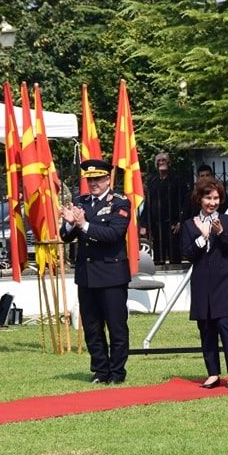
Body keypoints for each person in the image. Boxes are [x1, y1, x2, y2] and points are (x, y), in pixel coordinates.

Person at [60, 159, 131, 385]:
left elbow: (114, 234)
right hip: (88, 274)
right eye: (90, 180)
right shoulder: (80, 202)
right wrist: (70, 224)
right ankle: (100, 370)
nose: (93, 184)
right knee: (91, 327)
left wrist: (83, 225)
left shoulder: (120, 202)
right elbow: (66, 236)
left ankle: (117, 372)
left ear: (108, 179)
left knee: (116, 326)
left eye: (98, 179)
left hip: (111, 273)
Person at [181, 176, 228, 388]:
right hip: (202, 283)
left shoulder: (226, 221)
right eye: (208, 198)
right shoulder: (190, 225)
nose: (212, 202)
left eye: (216, 198)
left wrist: (220, 233)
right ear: (200, 199)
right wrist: (202, 237)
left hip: (224, 281)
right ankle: (213, 373)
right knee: (206, 328)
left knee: (226, 325)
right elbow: (188, 254)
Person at [139, 152, 189, 264]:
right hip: (156, 226)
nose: (162, 162)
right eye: (159, 161)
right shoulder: (152, 181)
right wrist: (144, 224)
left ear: (169, 163)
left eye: (164, 160)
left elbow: (185, 203)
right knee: (158, 257)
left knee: (174, 256)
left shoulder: (177, 180)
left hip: (173, 224)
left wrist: (181, 221)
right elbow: (148, 204)